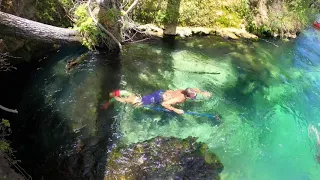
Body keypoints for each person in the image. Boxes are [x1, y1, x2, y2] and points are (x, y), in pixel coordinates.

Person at [101, 88, 211, 114]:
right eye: (193, 96)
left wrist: (202, 92)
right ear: (187, 97)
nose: (194, 96)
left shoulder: (183, 91)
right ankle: (110, 100)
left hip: (160, 93)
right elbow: (164, 104)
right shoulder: (180, 98)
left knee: (131, 94)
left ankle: (113, 92)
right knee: (130, 100)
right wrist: (176, 110)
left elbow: (193, 89)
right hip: (157, 98)